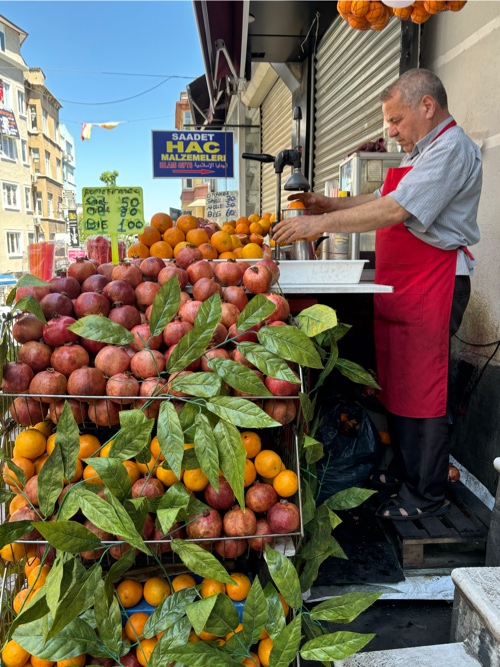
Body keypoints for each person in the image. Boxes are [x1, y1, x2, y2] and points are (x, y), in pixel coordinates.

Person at [273, 68, 482, 521]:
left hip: (437, 280)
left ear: (427, 106)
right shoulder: (423, 152)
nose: (390, 131)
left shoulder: (450, 149)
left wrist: (319, 224)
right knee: (401, 383)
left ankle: (425, 494)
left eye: (395, 120)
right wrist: (330, 205)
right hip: (409, 284)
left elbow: (394, 208)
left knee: (423, 390)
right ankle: (406, 474)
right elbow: (380, 197)